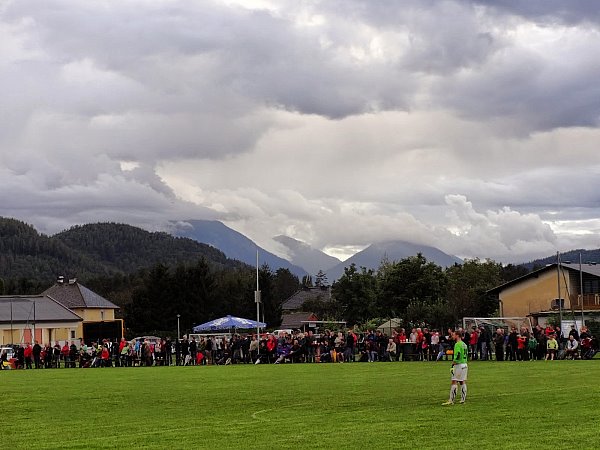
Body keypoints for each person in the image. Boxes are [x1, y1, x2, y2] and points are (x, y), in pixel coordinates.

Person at [442, 330, 468, 406]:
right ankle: (463, 399)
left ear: (457, 335)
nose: (452, 336)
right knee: (462, 381)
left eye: (453, 335)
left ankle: (451, 400)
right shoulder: (464, 344)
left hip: (459, 364)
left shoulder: (457, 344)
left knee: (454, 381)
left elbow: (458, 354)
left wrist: (454, 362)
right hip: (465, 364)